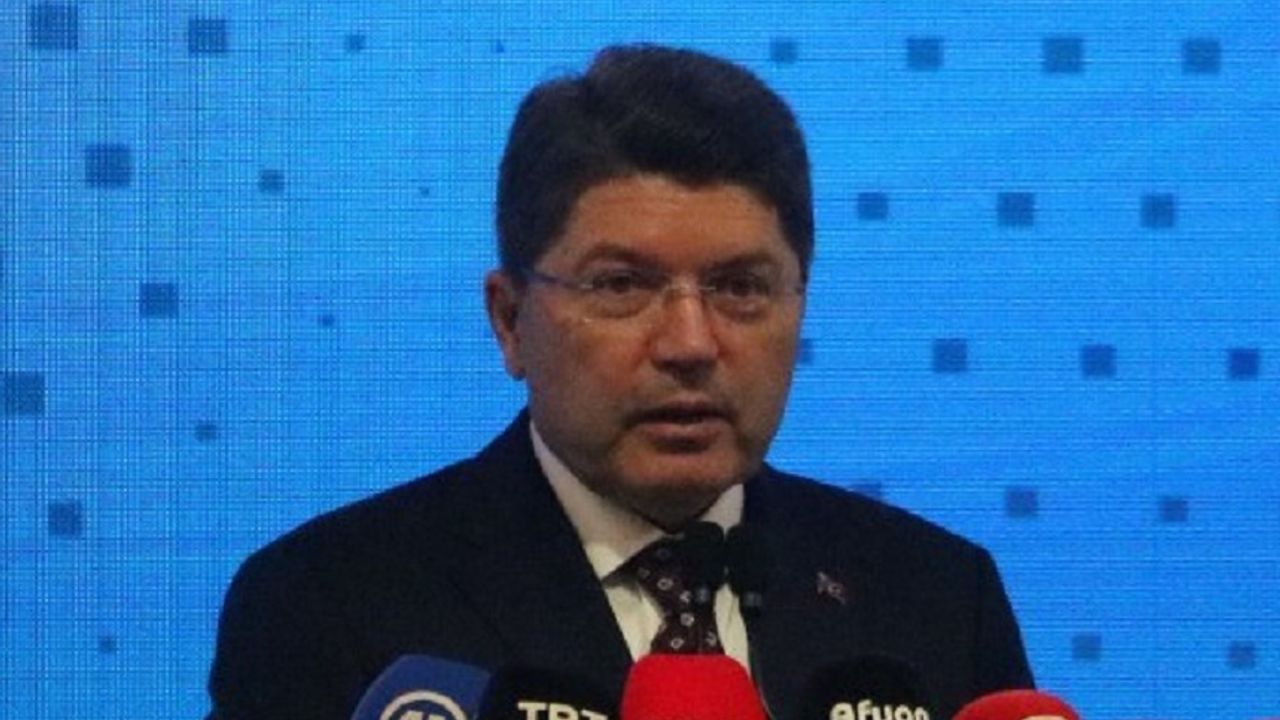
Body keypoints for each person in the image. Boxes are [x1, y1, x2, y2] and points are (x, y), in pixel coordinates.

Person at [206, 44, 1033, 720]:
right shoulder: (331, 604)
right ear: (509, 320)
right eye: (622, 286)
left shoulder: (934, 596)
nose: (690, 344)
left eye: (741, 287)